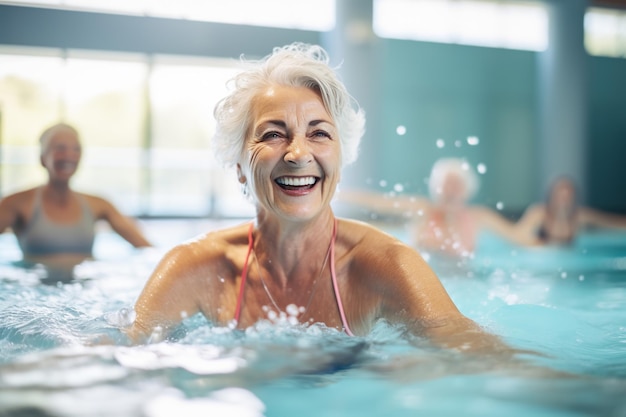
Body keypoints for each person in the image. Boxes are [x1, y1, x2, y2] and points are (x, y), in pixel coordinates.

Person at [125, 43, 513, 355]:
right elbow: (118, 348)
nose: (297, 154)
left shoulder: (386, 266)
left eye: (319, 134)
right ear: (240, 164)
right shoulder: (196, 267)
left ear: (340, 162)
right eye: (273, 134)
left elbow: (484, 359)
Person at [0, 123, 152, 268]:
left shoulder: (99, 204)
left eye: (76, 149)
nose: (69, 155)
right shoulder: (16, 203)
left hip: (85, 290)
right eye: (60, 148)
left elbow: (147, 249)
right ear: (42, 157)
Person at [338, 158, 538, 258]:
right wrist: (338, 193)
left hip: (464, 283)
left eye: (456, 185)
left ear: (467, 191)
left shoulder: (478, 217)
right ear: (436, 188)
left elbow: (517, 236)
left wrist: (536, 217)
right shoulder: (423, 210)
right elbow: (379, 202)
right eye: (446, 185)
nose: (450, 191)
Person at [516, 176, 626, 245]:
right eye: (560, 197)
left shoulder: (579, 215)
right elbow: (517, 235)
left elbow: (611, 223)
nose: (563, 202)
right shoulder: (539, 213)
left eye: (567, 198)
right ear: (551, 197)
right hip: (545, 255)